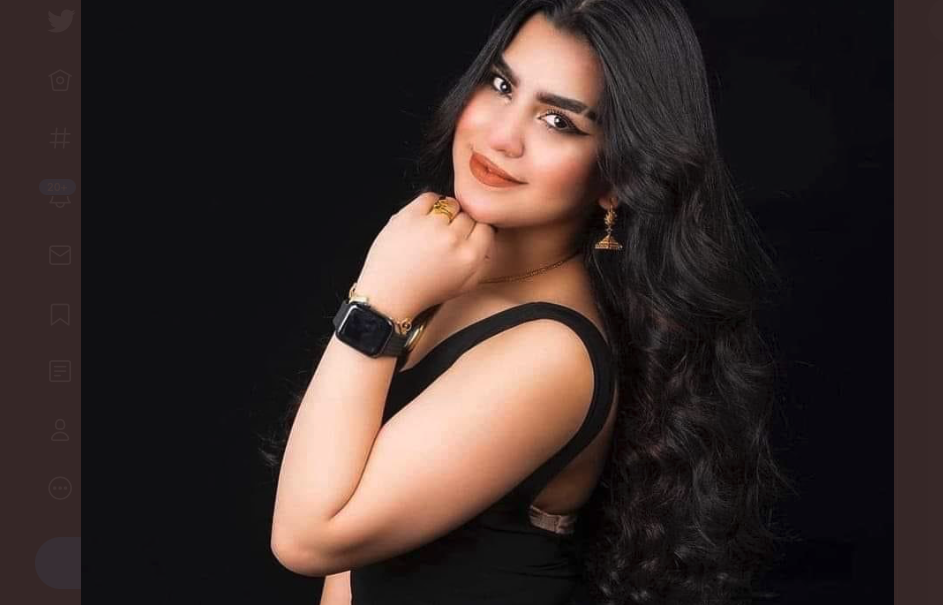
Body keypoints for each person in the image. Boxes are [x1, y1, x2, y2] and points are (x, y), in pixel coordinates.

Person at [268, 1, 794, 603]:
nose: (501, 137)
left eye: (558, 121)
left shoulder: (551, 354)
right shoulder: (445, 272)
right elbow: (346, 572)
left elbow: (308, 541)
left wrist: (377, 304)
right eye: (500, 86)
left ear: (618, 176)